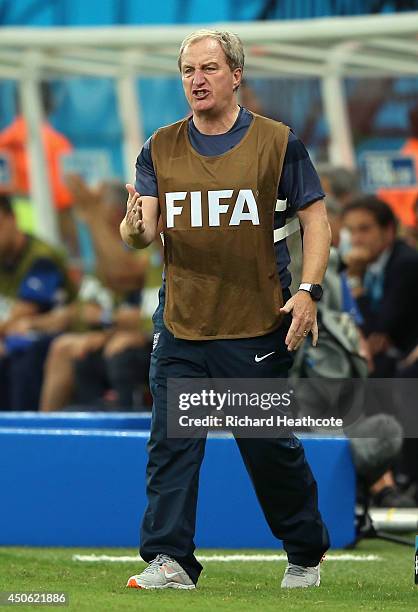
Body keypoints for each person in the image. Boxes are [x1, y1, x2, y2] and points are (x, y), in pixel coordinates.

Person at [120, 29, 331, 590]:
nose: (197, 80)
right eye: (189, 70)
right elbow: (142, 232)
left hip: (256, 322)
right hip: (182, 323)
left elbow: (316, 219)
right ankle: (170, 560)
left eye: (209, 68)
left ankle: (306, 550)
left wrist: (309, 290)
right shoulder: (159, 147)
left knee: (268, 450)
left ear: (236, 75)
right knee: (172, 443)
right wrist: (134, 227)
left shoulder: (278, 142)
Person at [0, 194, 75, 410]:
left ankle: (24, 432)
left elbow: (24, 313)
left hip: (56, 331)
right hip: (17, 335)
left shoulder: (41, 257)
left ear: (12, 219)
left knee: (21, 354)